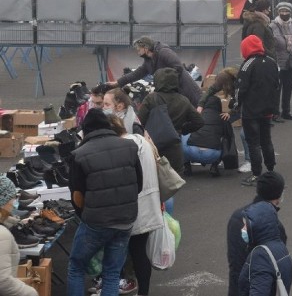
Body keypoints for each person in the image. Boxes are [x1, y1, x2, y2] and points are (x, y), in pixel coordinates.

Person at [68, 109, 143, 296]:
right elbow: (139, 185)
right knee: (112, 272)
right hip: (125, 220)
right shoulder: (129, 147)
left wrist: (85, 215)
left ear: (85, 131)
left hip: (96, 222)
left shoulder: (79, 154)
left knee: (76, 266)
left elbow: (77, 197)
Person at [108, 115, 160, 296]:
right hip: (148, 204)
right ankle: (143, 292)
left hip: (133, 208)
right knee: (139, 253)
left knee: (122, 252)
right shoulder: (141, 141)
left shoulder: (124, 147)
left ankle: (121, 285)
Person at [227, 172, 288, 296]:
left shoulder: (237, 216)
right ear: (278, 196)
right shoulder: (275, 227)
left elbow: (234, 260)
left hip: (237, 287)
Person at [137, 67, 204, 172]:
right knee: (172, 182)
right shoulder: (183, 100)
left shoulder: (151, 98)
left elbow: (139, 121)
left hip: (153, 145)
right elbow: (199, 121)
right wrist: (182, 129)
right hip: (174, 146)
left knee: (152, 180)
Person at [235, 35, 280, 187]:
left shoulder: (248, 64)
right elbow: (277, 85)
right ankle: (271, 169)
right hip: (268, 109)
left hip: (251, 111)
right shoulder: (272, 62)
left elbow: (240, 88)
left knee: (253, 142)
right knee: (266, 140)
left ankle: (256, 173)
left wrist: (235, 104)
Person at [112, 36, 202, 106]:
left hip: (186, 88)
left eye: (139, 50)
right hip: (175, 92)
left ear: (146, 48)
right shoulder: (148, 61)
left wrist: (164, 81)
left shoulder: (164, 52)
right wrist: (118, 82)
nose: (138, 52)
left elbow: (178, 67)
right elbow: (136, 74)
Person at [183, 69, 234, 177]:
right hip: (212, 155)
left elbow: (183, 129)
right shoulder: (223, 118)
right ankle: (214, 166)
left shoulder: (196, 116)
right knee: (223, 138)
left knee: (184, 134)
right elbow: (228, 138)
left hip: (191, 152)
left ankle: (186, 166)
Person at [238, 197, 292, 296]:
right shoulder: (280, 247)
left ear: (256, 227)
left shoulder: (260, 256)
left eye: (246, 225)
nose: (243, 229)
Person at [0, 176, 38, 296]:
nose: (14, 202)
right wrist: (31, 293)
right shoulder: (2, 234)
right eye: (12, 197)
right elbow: (3, 281)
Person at [271, 1, 292, 122]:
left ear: (290, 12)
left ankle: (286, 111)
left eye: (287, 11)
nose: (284, 13)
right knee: (276, 88)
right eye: (282, 11)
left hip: (291, 61)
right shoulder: (272, 26)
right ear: (278, 12)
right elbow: (270, 44)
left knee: (288, 87)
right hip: (277, 61)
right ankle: (275, 113)